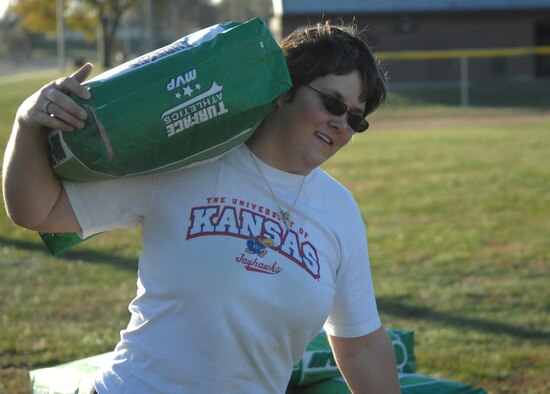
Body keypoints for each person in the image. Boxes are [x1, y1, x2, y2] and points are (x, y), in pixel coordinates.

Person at [3, 21, 400, 393]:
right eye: (333, 103)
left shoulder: (339, 210)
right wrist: (27, 123)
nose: (341, 125)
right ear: (284, 88)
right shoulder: (190, 160)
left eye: (356, 119)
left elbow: (360, 344)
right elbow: (38, 210)